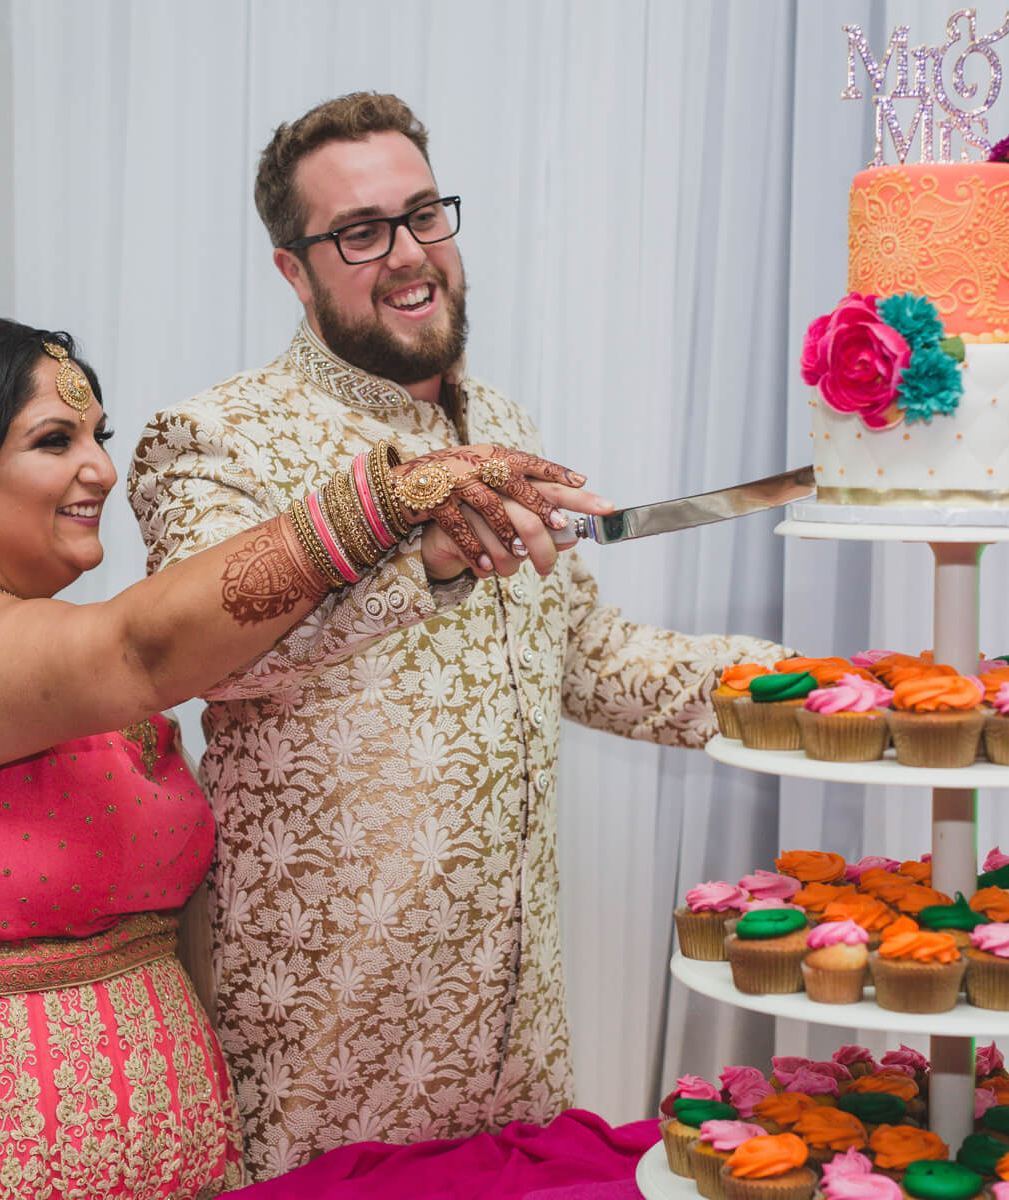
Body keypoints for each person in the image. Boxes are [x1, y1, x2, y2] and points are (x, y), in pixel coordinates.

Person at [0, 317, 594, 1200]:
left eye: (97, 436)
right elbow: (145, 649)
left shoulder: (47, 655)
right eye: (56, 442)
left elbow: (210, 655)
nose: (100, 469)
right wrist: (369, 503)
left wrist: (420, 560)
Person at [125, 92, 790, 1179]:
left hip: (517, 1062)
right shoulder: (216, 437)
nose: (405, 254)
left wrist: (811, 689)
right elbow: (213, 660)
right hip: (326, 1069)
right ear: (293, 270)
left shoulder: (506, 427)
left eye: (424, 214)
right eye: (359, 232)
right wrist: (418, 562)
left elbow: (582, 654)